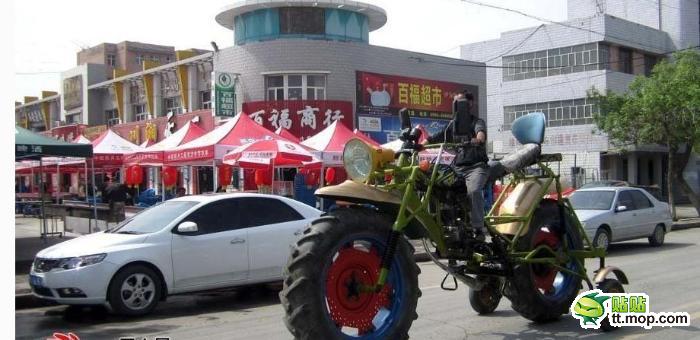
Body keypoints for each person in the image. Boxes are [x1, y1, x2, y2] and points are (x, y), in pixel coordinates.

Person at [425, 91, 488, 241]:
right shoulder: (451, 125)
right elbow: (434, 138)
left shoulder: (476, 122)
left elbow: (481, 135)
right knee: (432, 185)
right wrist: (417, 146)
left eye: (459, 103)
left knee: (473, 191)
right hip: (456, 168)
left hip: (475, 167)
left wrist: (476, 140)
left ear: (469, 104)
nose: (456, 106)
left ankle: (478, 228)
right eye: (454, 103)